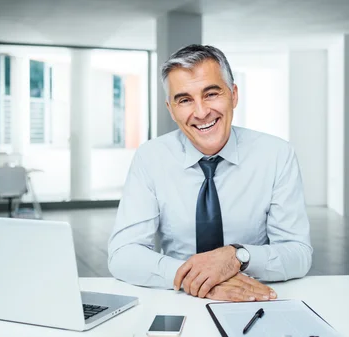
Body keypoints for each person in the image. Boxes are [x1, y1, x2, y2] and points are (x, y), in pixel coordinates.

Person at [108, 44, 312, 302]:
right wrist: (198, 280)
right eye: (184, 100)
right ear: (171, 109)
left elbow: (298, 254)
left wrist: (237, 257)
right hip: (178, 297)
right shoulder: (151, 157)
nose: (202, 112)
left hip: (253, 297)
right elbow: (123, 254)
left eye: (211, 94)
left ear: (234, 95)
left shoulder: (277, 155)